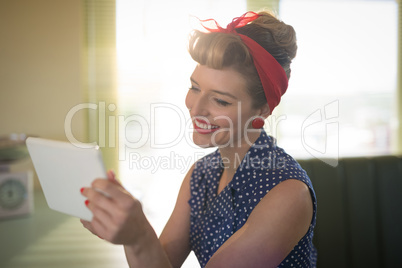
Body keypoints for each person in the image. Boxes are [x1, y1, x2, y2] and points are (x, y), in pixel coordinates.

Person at [80, 11, 317, 268]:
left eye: (220, 100)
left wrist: (139, 236)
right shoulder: (201, 174)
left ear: (263, 110)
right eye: (194, 88)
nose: (196, 108)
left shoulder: (288, 194)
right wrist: (130, 235)